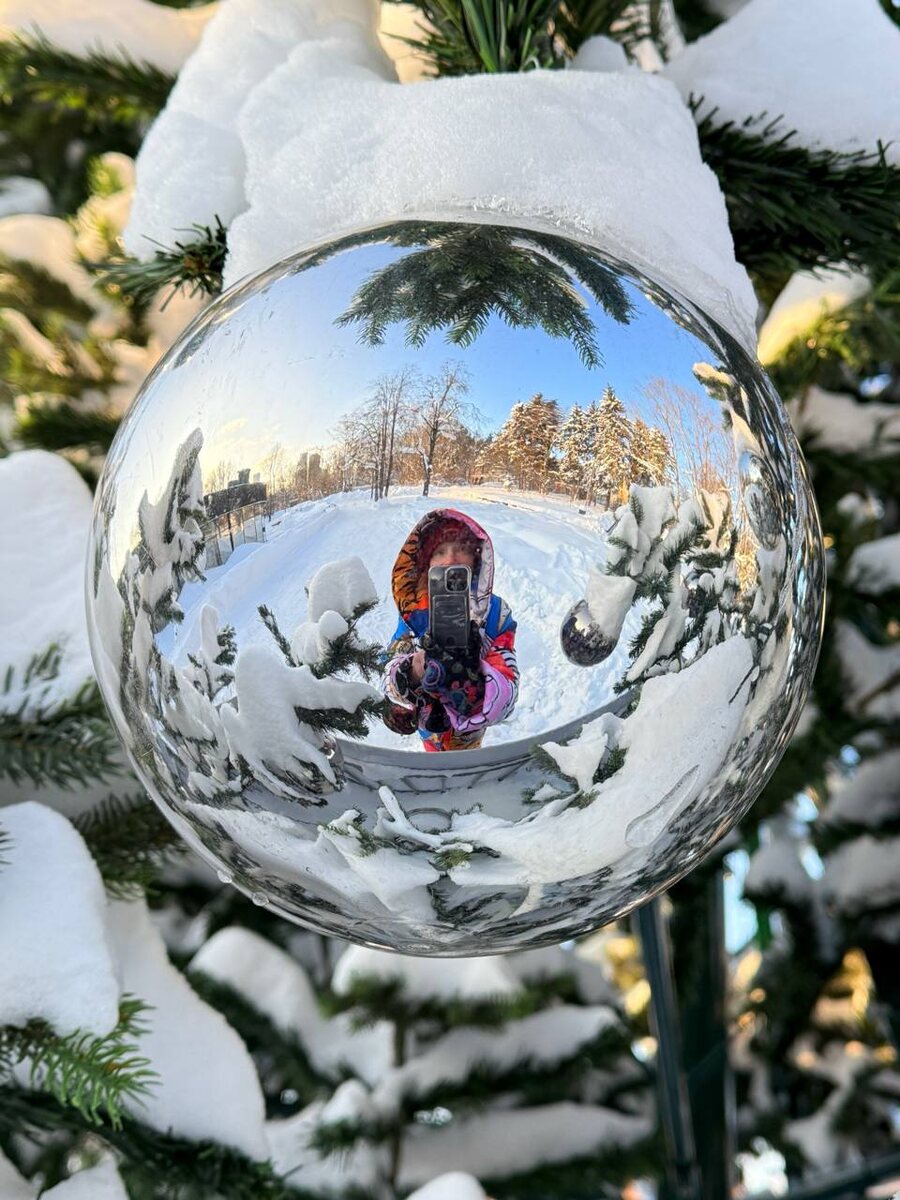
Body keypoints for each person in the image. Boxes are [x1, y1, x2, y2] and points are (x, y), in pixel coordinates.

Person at [381, 508, 518, 752]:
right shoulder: (414, 613)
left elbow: (509, 688)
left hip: (469, 733)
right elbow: (391, 662)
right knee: (433, 760)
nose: (451, 559)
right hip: (429, 730)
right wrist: (410, 673)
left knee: (464, 765)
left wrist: (476, 684)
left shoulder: (496, 613)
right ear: (427, 562)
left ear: (476, 557)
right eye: (440, 551)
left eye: (462, 548)